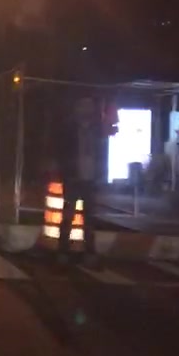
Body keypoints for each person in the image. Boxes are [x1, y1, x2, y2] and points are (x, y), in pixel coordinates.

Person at [57, 97, 99, 265]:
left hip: (90, 179)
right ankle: (63, 251)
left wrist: (100, 175)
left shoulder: (96, 130)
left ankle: (89, 252)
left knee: (89, 219)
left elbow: (100, 153)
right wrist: (66, 172)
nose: (86, 110)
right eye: (83, 106)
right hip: (73, 179)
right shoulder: (69, 129)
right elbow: (62, 152)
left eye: (89, 106)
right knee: (68, 216)